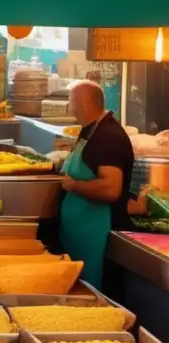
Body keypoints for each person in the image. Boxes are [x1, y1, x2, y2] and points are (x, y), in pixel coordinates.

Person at [59, 81, 136, 288]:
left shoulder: (108, 136)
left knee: (92, 293)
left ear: (85, 103)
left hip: (97, 237)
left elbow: (111, 189)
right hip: (78, 234)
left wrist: (75, 186)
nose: (67, 105)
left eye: (70, 99)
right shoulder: (90, 130)